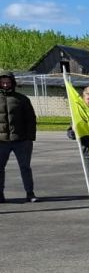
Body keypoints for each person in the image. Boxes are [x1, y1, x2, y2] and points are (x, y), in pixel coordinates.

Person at [0, 71, 36, 203]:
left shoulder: (22, 99)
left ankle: (30, 193)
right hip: (1, 142)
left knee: (25, 167)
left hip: (21, 141)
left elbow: (31, 119)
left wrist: (30, 138)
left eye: (8, 82)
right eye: (3, 82)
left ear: (12, 83)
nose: (5, 84)